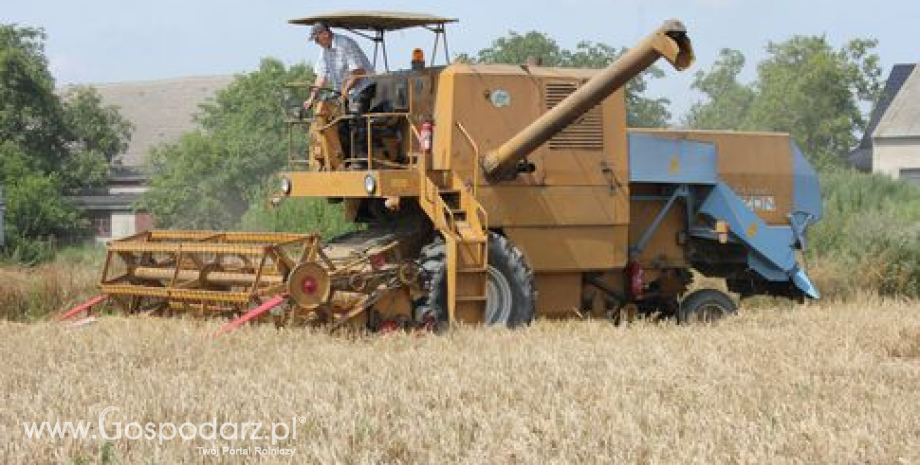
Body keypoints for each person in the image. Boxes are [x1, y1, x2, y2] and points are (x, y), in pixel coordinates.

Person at [303, 22, 375, 113]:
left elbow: (358, 72)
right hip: (342, 91)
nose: (316, 42)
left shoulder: (346, 44)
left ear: (325, 34)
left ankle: (359, 126)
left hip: (362, 89)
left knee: (355, 118)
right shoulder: (324, 51)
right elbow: (321, 76)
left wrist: (344, 92)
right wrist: (311, 98)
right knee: (327, 112)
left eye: (317, 39)